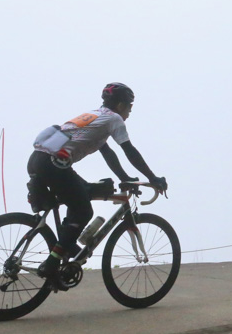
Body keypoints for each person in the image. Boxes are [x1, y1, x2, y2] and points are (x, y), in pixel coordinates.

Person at [28, 82, 167, 280]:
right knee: (83, 210)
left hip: (38, 160)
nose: (129, 112)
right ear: (120, 105)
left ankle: (66, 245)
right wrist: (152, 178)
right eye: (130, 107)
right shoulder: (114, 119)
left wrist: (125, 178)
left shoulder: (96, 116)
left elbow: (108, 153)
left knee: (82, 191)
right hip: (54, 164)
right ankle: (52, 263)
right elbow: (129, 150)